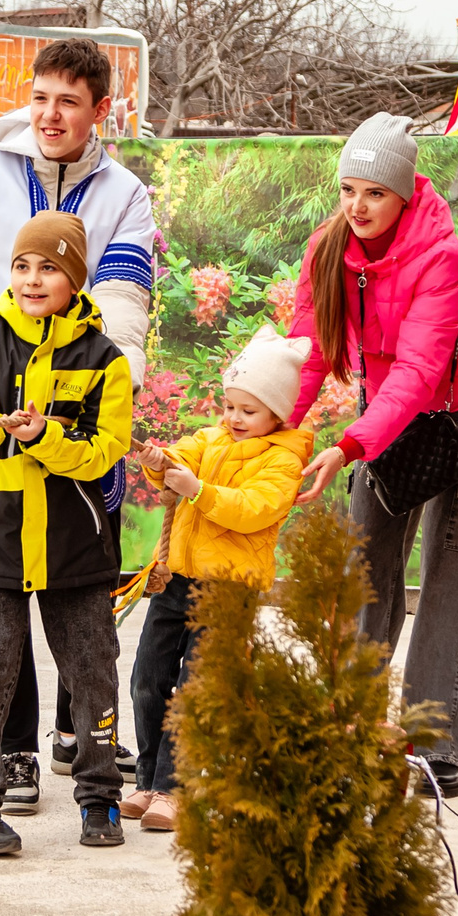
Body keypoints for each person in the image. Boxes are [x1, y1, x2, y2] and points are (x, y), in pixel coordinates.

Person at [0, 38, 154, 811]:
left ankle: (82, 732)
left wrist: (102, 395)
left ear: (99, 111)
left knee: (79, 591)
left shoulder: (124, 194)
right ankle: (10, 752)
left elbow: (121, 310)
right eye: (41, 96)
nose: (50, 114)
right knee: (0, 600)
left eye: (69, 101)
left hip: (73, 431)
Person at [286, 114, 458, 797]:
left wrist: (349, 444)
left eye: (375, 193)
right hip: (390, 405)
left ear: (405, 194)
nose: (358, 206)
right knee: (366, 558)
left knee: (454, 564)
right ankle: (349, 721)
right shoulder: (328, 248)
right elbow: (311, 349)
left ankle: (434, 744)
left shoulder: (437, 258)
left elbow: (420, 369)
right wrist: (276, 430)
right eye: (349, 189)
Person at [0, 213, 136, 855]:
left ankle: (100, 797)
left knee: (91, 665)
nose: (32, 279)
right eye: (23, 266)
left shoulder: (105, 360)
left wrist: (45, 435)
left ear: (75, 278)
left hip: (74, 541)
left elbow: (105, 450)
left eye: (49, 267)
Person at [125, 324, 314, 832]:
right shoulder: (208, 439)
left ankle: (175, 789)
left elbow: (254, 509)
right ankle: (147, 781)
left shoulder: (282, 459)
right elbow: (179, 460)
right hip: (178, 581)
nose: (233, 418)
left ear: (277, 414)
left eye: (247, 411)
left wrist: (198, 491)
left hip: (228, 592)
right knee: (147, 678)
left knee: (195, 689)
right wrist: (158, 464)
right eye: (229, 406)